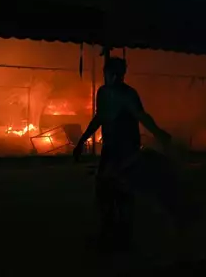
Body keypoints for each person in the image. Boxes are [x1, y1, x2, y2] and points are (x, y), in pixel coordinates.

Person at [73, 57, 174, 251]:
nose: (114, 78)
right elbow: (99, 118)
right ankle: (108, 232)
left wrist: (158, 133)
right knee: (104, 190)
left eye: (119, 75)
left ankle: (124, 237)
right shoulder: (102, 93)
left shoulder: (129, 95)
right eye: (112, 74)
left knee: (123, 191)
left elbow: (141, 116)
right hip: (110, 148)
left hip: (127, 148)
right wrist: (82, 140)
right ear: (107, 73)